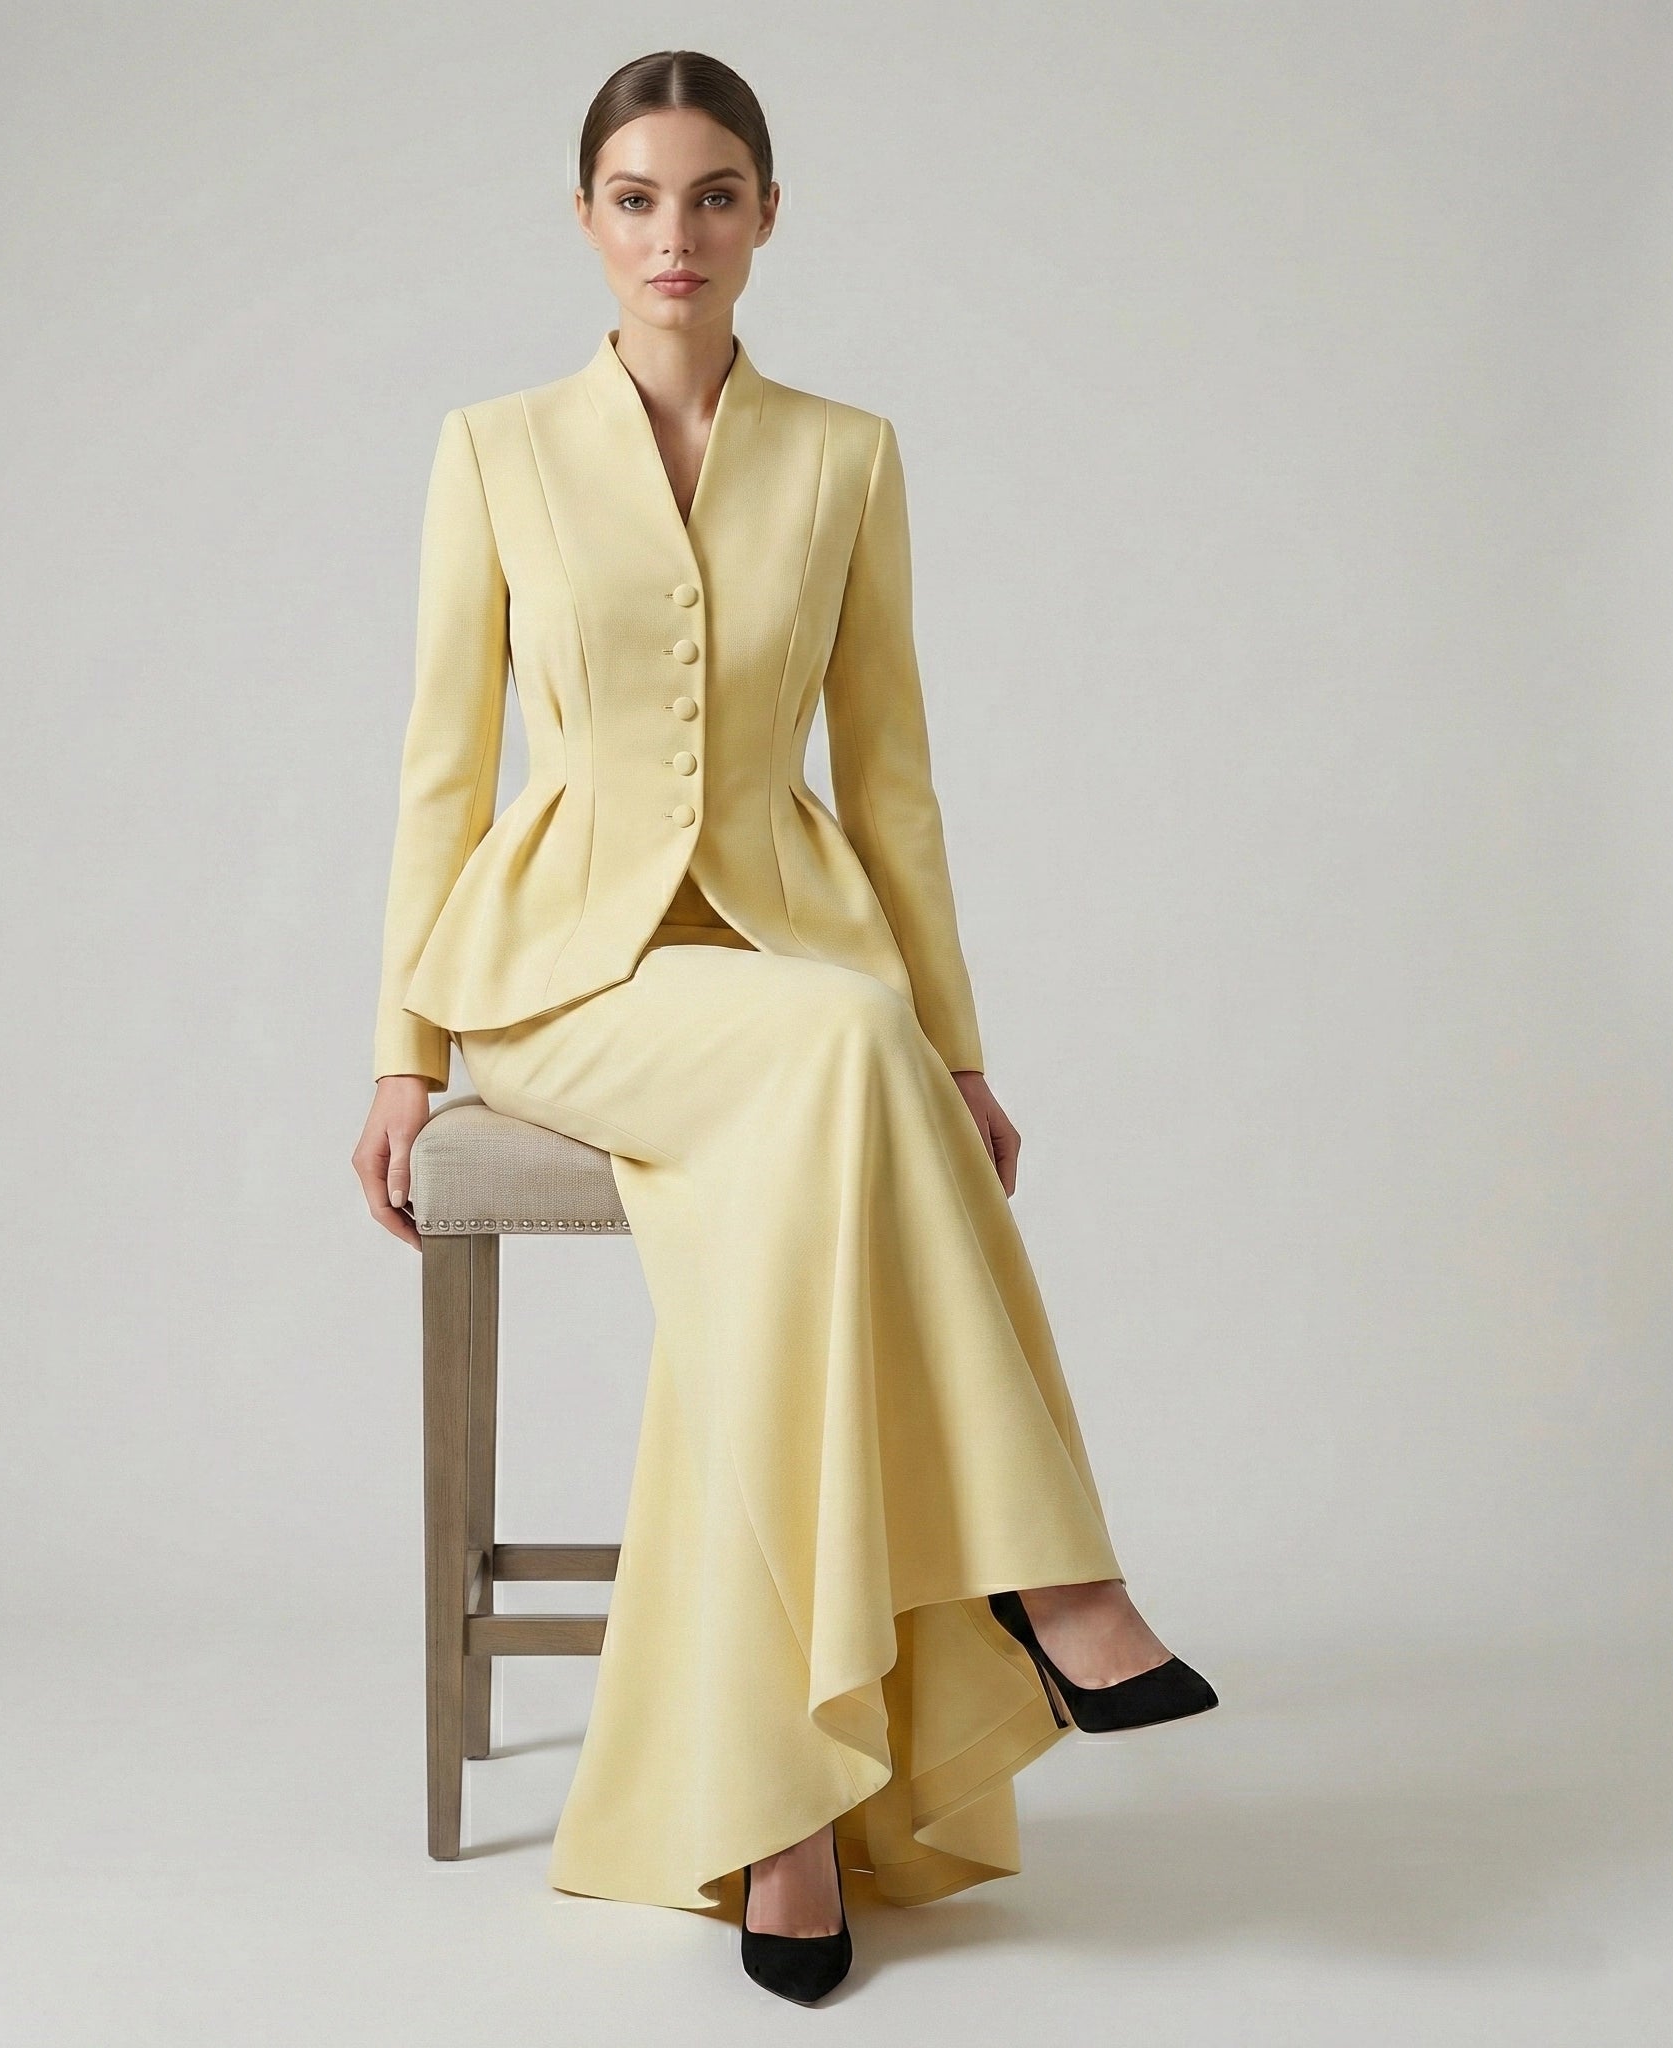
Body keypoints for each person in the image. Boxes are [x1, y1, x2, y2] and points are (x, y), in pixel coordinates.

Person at [354, 49, 1217, 2006]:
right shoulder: (491, 449)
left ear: (764, 218)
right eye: (640, 195)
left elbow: (888, 776)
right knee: (846, 1048)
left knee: (804, 1169)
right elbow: (437, 767)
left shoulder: (845, 455)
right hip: (559, 983)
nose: (678, 233)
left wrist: (966, 1050)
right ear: (585, 218)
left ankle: (790, 1812)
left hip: (781, 963)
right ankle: (1054, 1574)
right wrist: (402, 1053)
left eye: (716, 194)